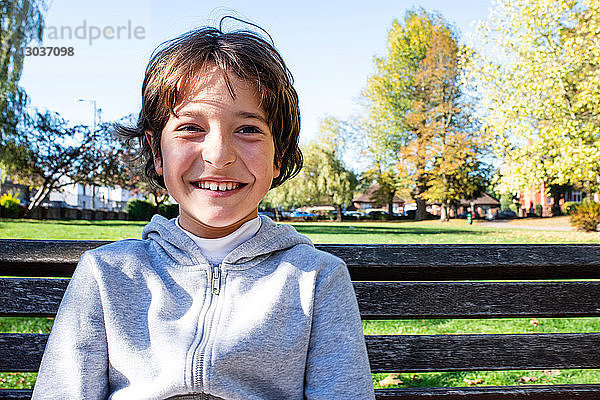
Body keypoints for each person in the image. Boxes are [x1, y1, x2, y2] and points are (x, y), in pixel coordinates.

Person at [32, 23, 375, 400]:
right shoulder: (107, 274)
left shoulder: (317, 279)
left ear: (279, 155)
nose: (218, 154)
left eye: (248, 129)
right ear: (157, 150)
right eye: (192, 128)